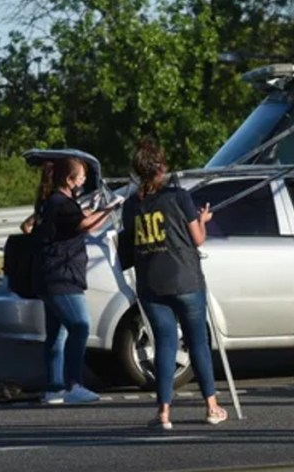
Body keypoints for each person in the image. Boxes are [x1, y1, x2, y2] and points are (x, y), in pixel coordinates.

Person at [121, 138, 227, 430]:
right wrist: (203, 220)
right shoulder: (179, 196)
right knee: (198, 344)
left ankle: (164, 412)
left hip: (151, 283)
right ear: (161, 168)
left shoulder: (132, 205)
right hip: (186, 278)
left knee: (165, 344)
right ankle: (211, 406)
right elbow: (197, 239)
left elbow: (126, 247)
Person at [33, 158, 118, 404]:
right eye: (80, 177)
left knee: (57, 334)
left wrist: (99, 210)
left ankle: (54, 387)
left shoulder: (52, 202)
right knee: (80, 326)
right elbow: (83, 223)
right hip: (63, 275)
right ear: (69, 180)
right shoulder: (62, 203)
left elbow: (83, 224)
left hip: (48, 276)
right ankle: (74, 384)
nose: (83, 181)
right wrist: (109, 208)